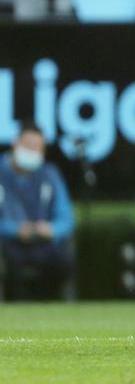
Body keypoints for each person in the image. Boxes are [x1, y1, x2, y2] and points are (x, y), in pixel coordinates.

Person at [0, 123, 74, 301]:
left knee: (63, 259)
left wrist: (50, 229)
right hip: (7, 243)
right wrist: (15, 230)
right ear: (15, 143)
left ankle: (56, 312)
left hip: (43, 243)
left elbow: (66, 219)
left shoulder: (50, 174)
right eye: (28, 146)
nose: (33, 152)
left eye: (38, 148)